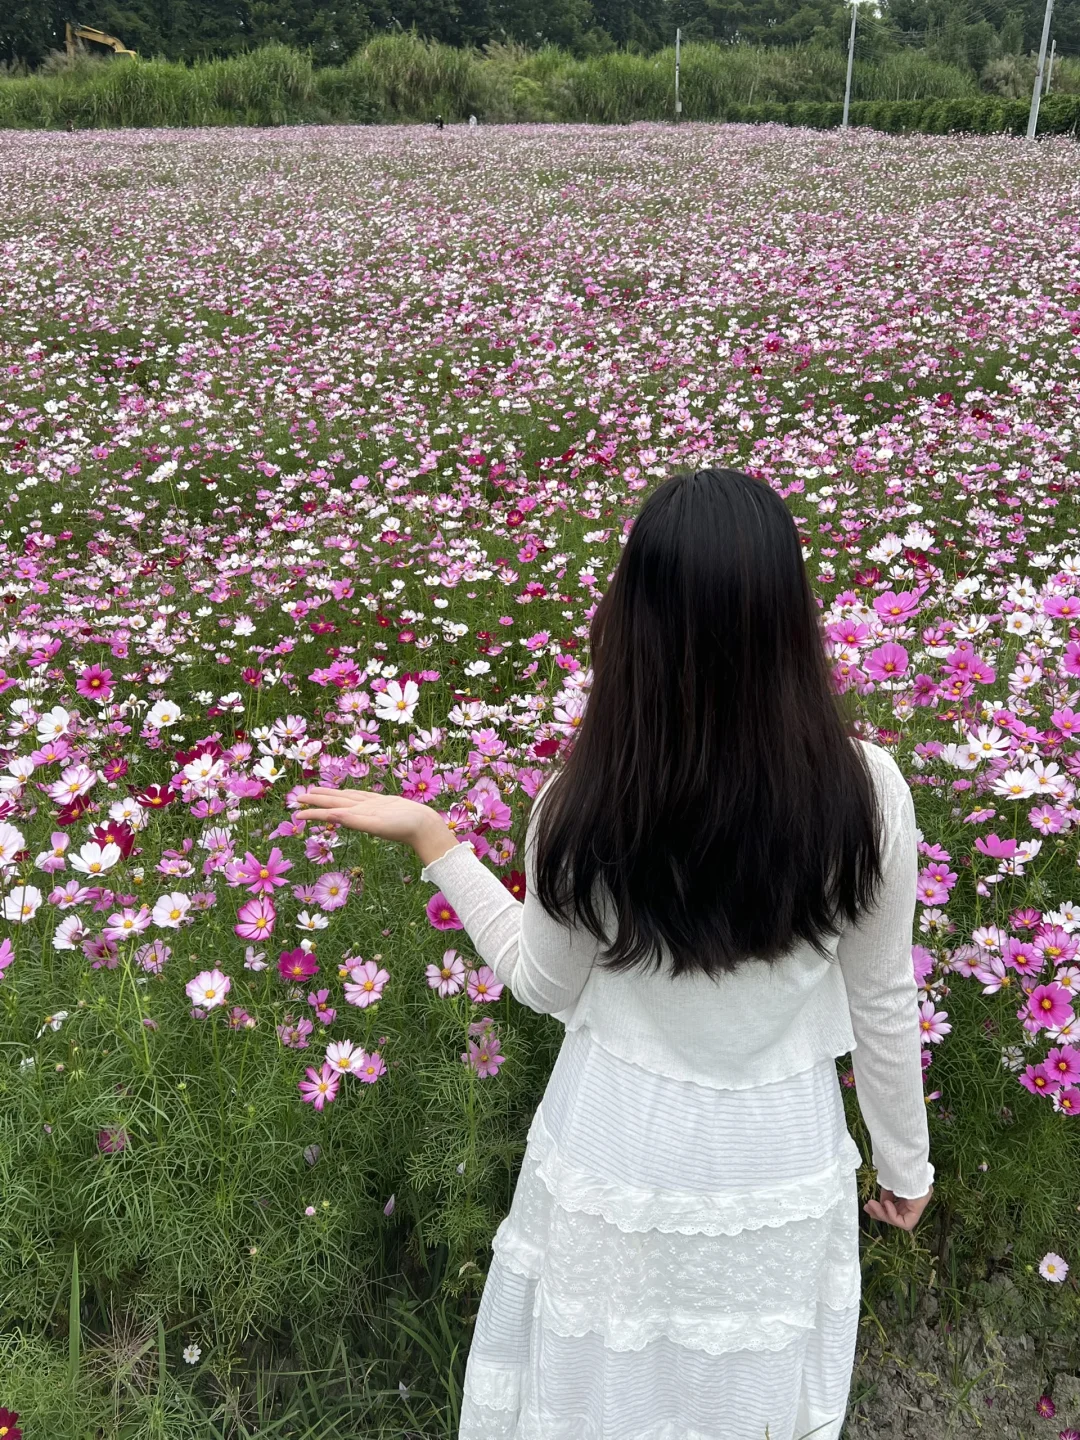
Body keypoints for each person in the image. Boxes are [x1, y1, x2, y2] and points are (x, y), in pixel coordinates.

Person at [294, 466, 933, 1440]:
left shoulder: (587, 806)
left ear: (633, 624)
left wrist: (438, 842)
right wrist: (905, 1164)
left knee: (605, 1398)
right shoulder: (869, 795)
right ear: (791, 620)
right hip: (776, 1160)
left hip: (617, 1149)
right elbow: (884, 1001)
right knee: (745, 1396)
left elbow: (544, 983)